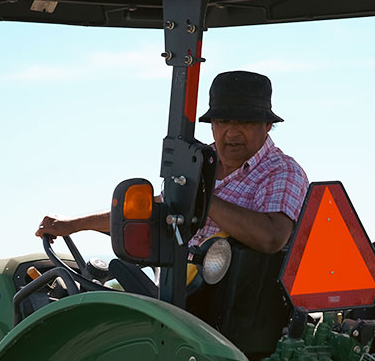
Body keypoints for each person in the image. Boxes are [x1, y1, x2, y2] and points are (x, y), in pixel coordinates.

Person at [36, 71, 308, 254]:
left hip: (239, 306)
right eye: (224, 121)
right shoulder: (198, 163)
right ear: (212, 124)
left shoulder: (281, 171)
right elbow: (157, 209)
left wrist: (200, 199)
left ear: (267, 126)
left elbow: (272, 237)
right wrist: (74, 224)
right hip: (181, 291)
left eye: (245, 123)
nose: (232, 132)